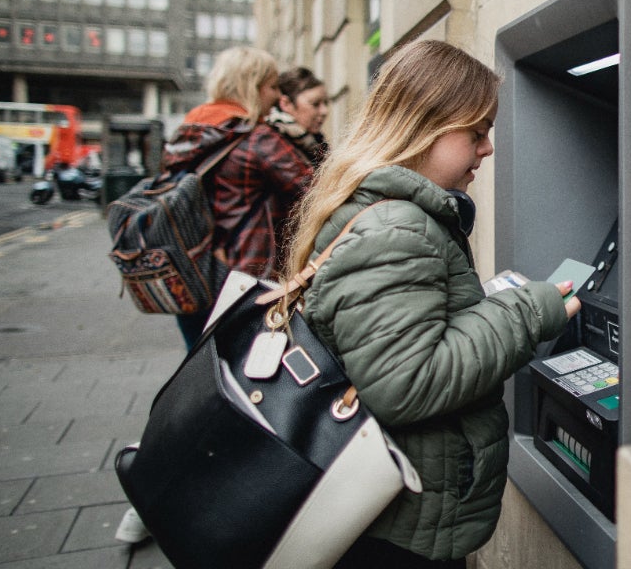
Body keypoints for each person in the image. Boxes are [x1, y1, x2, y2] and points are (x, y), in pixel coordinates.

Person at [277, 39, 579, 568]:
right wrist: (529, 310)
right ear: (424, 127)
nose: (487, 149)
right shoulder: (394, 226)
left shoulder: (387, 211)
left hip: (397, 506)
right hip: (397, 525)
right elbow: (406, 382)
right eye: (477, 133)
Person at [163, 46, 315, 348]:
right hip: (243, 282)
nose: (276, 97)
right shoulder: (255, 137)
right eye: (272, 86)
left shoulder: (187, 135)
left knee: (202, 371)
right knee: (247, 381)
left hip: (191, 277)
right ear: (252, 86)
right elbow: (318, 190)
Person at [269, 66, 330, 165]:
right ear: (286, 104)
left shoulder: (315, 143)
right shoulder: (274, 144)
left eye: (326, 103)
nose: (324, 111)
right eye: (315, 104)